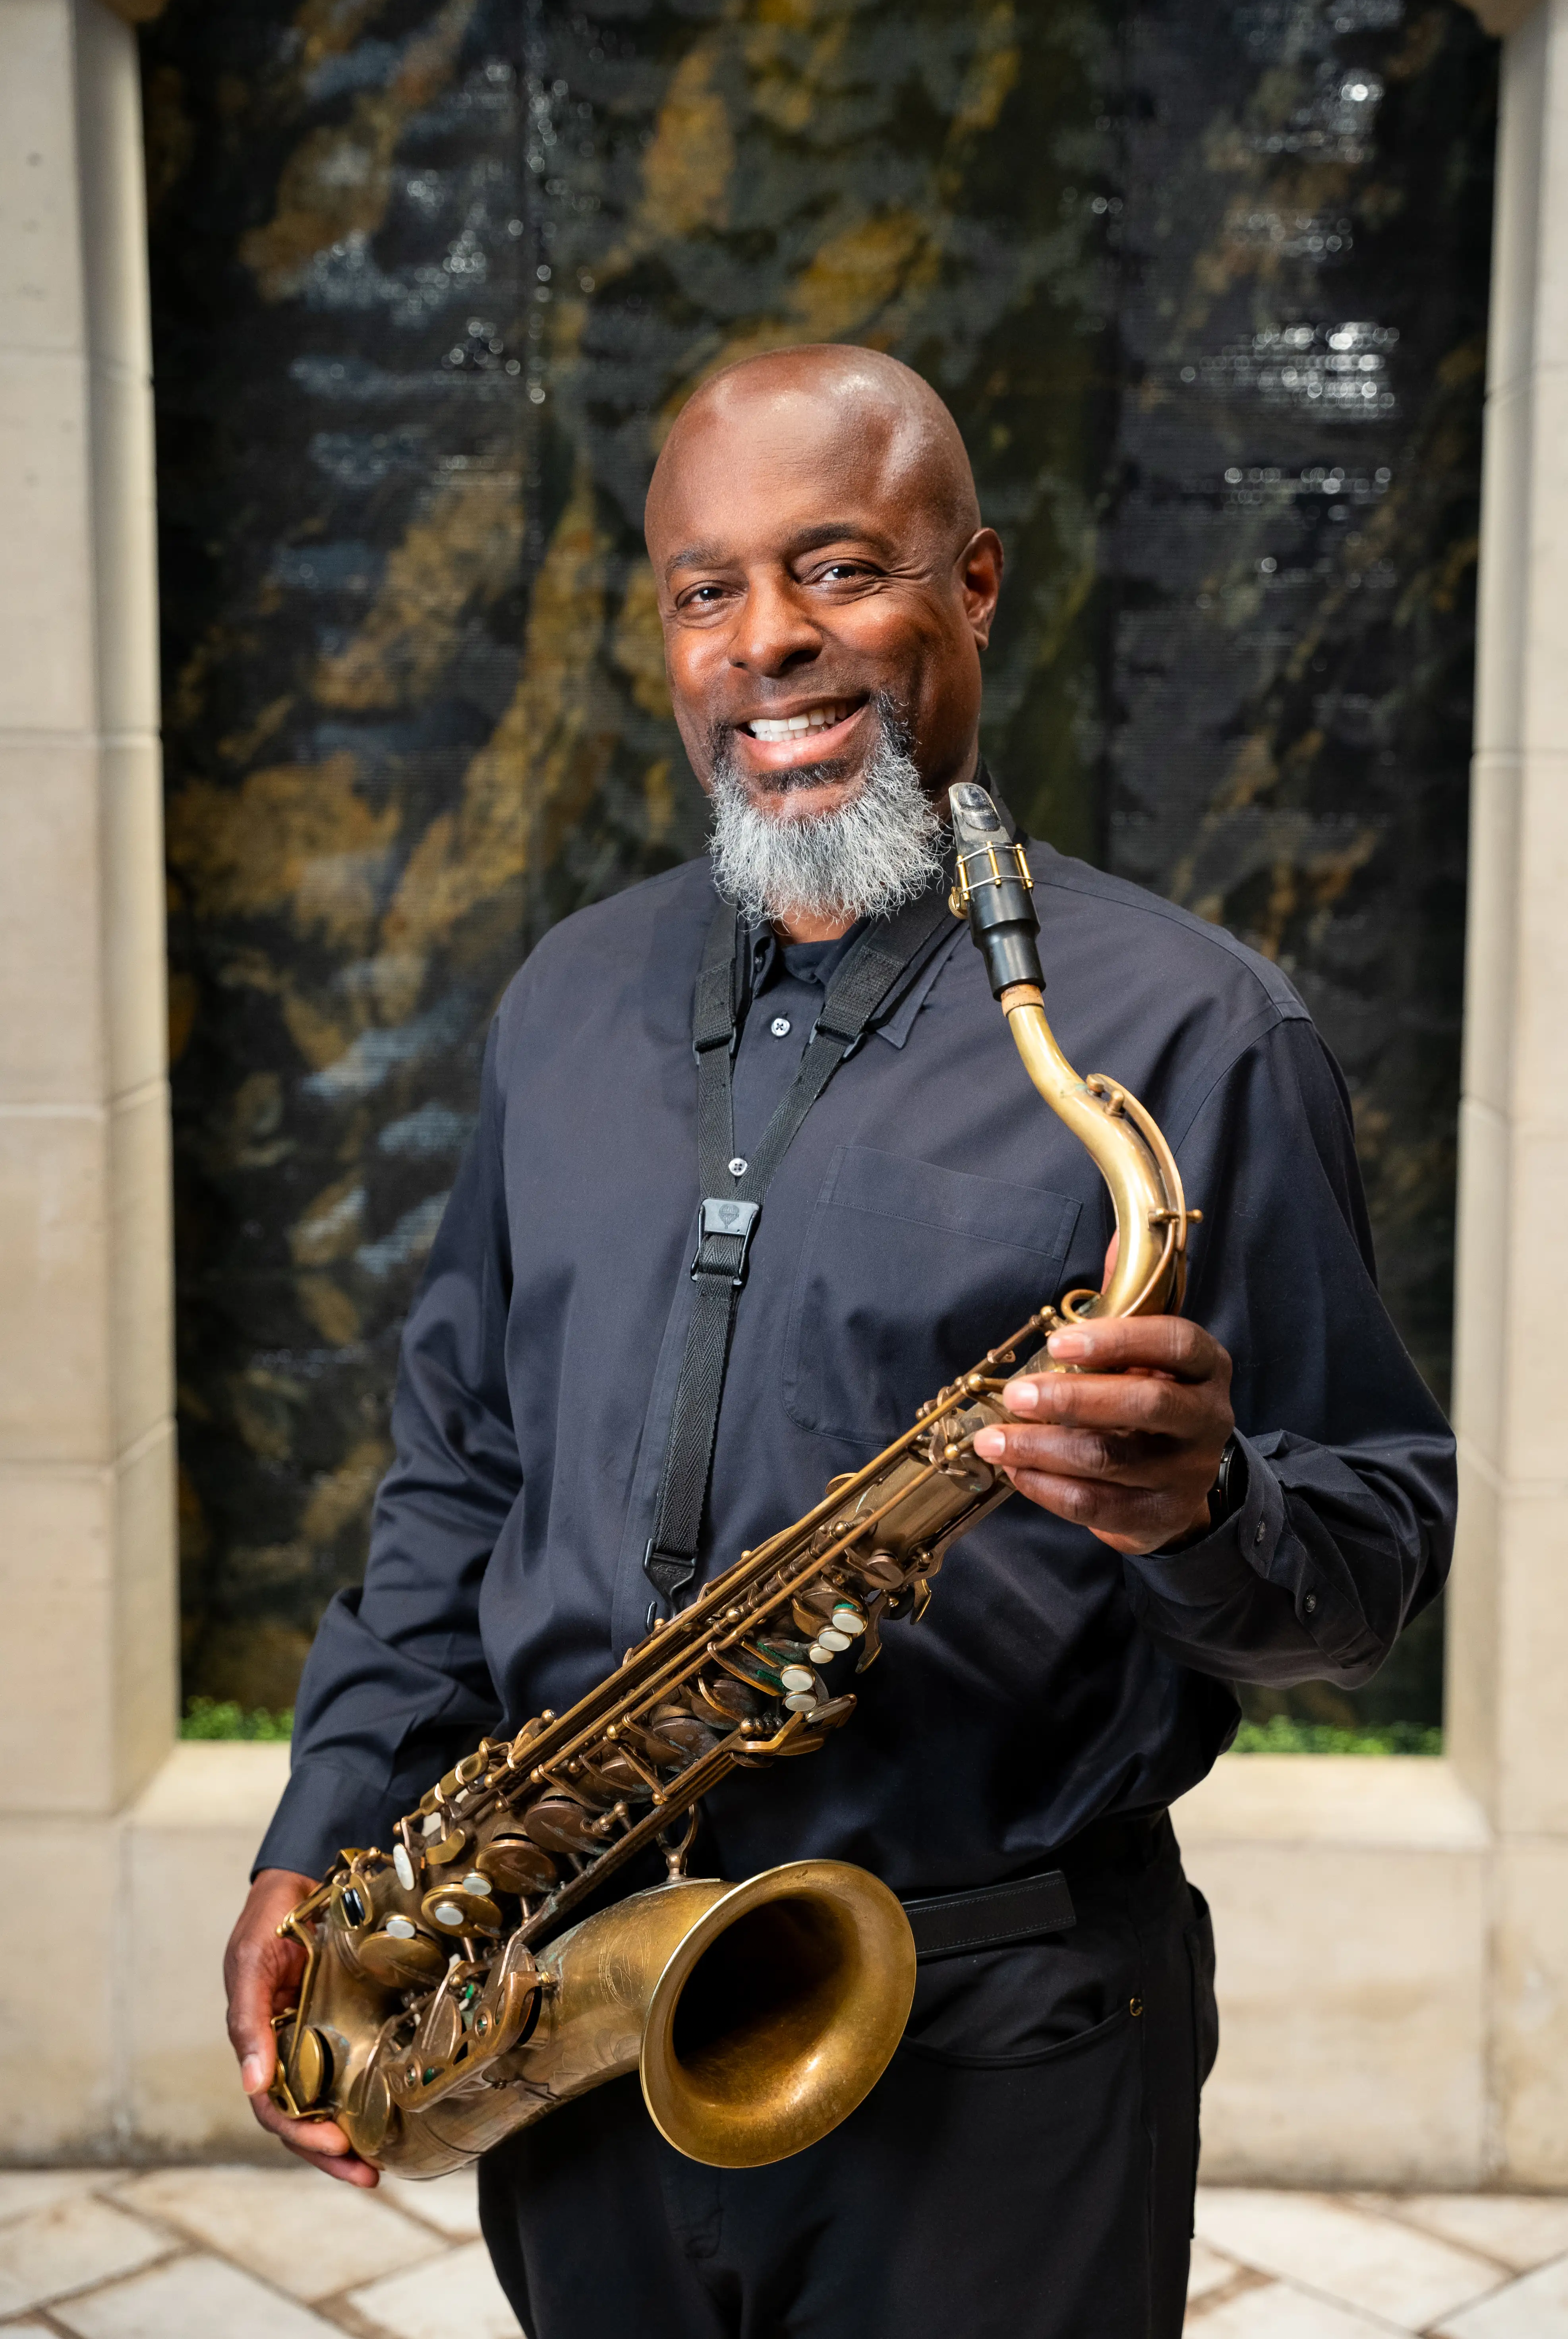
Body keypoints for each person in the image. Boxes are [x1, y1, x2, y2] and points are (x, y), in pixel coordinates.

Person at [224, 345, 1455, 2339]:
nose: (766, 644)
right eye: (705, 589)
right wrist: (324, 1826)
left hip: (998, 2049)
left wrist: (1202, 1508)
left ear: (970, 588)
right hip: (581, 2019)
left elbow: (1371, 1561)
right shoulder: (561, 1003)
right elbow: (456, 1472)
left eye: (834, 569)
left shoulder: (1190, 1035)